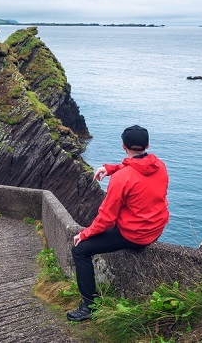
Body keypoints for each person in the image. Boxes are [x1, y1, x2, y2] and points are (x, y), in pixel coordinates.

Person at [66, 125, 170, 322]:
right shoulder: (160, 166)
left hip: (134, 235)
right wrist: (110, 168)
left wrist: (85, 234)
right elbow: (137, 166)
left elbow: (106, 218)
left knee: (80, 250)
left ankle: (88, 306)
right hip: (156, 228)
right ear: (147, 145)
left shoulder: (122, 178)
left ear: (123, 146)